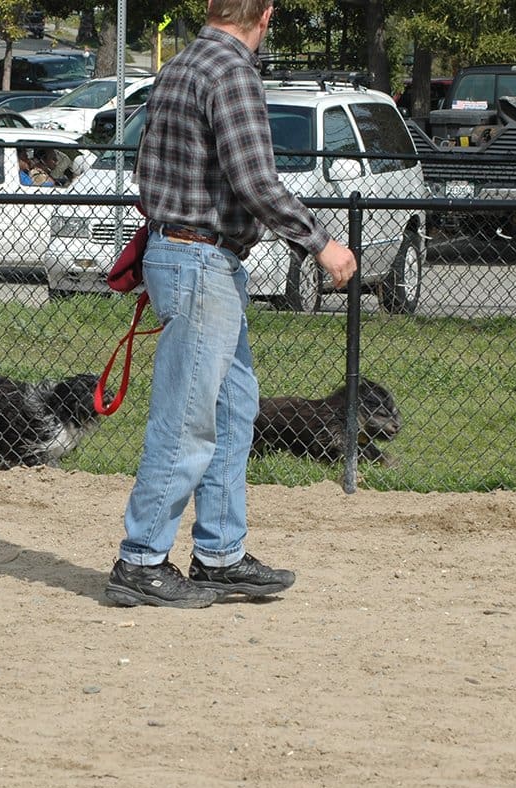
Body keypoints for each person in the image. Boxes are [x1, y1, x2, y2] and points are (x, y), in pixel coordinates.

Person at [104, 0, 357, 609]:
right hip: (201, 261)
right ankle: (141, 560)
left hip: (188, 256)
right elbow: (255, 179)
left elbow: (148, 167)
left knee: (234, 408)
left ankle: (220, 555)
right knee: (188, 418)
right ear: (265, 13)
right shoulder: (233, 71)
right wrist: (322, 244)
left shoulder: (181, 66)